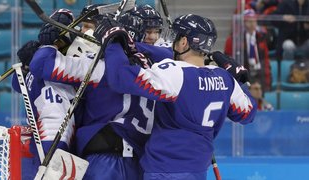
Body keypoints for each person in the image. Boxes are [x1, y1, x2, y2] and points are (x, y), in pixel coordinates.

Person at [94, 14, 257, 180]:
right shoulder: (225, 79)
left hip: (165, 169)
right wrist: (241, 81)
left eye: (176, 37)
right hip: (198, 170)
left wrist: (113, 43)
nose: (172, 43)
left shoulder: (175, 72)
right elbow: (248, 114)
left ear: (184, 42)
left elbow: (119, 77)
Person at [31, 4, 173, 180]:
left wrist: (46, 44)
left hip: (106, 160)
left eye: (155, 31)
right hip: (140, 162)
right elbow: (171, 52)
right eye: (149, 31)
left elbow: (41, 65)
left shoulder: (99, 64)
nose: (153, 37)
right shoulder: (163, 67)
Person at [11, 9, 79, 179]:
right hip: (37, 129)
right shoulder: (40, 55)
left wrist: (48, 50)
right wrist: (25, 66)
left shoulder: (72, 57)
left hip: (56, 127)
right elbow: (19, 85)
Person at [224, 9, 272, 91]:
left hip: (259, 74)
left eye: (254, 21)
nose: (252, 24)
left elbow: (266, 59)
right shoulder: (234, 39)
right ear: (243, 23)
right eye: (249, 21)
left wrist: (268, 78)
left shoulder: (261, 38)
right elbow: (227, 58)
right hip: (244, 73)